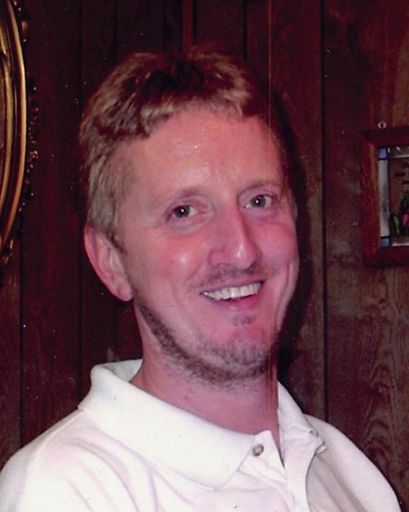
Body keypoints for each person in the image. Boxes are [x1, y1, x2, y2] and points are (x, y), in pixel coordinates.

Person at [0, 48, 401, 512]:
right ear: (111, 262)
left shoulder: (347, 472)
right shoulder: (65, 490)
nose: (241, 249)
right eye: (184, 212)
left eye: (259, 201)